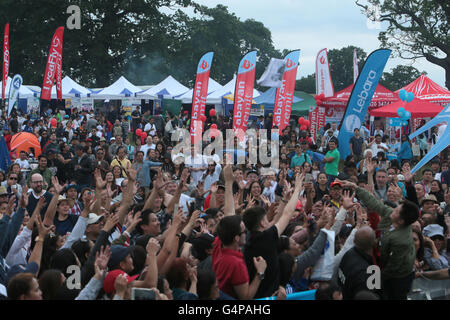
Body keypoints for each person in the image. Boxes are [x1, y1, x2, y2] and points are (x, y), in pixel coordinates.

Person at [339, 178, 419, 300]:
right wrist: (355, 187)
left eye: (397, 211)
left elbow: (393, 268)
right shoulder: (393, 216)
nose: (393, 209)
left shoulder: (401, 241)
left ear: (401, 221)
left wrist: (377, 277)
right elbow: (375, 204)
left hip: (398, 278)